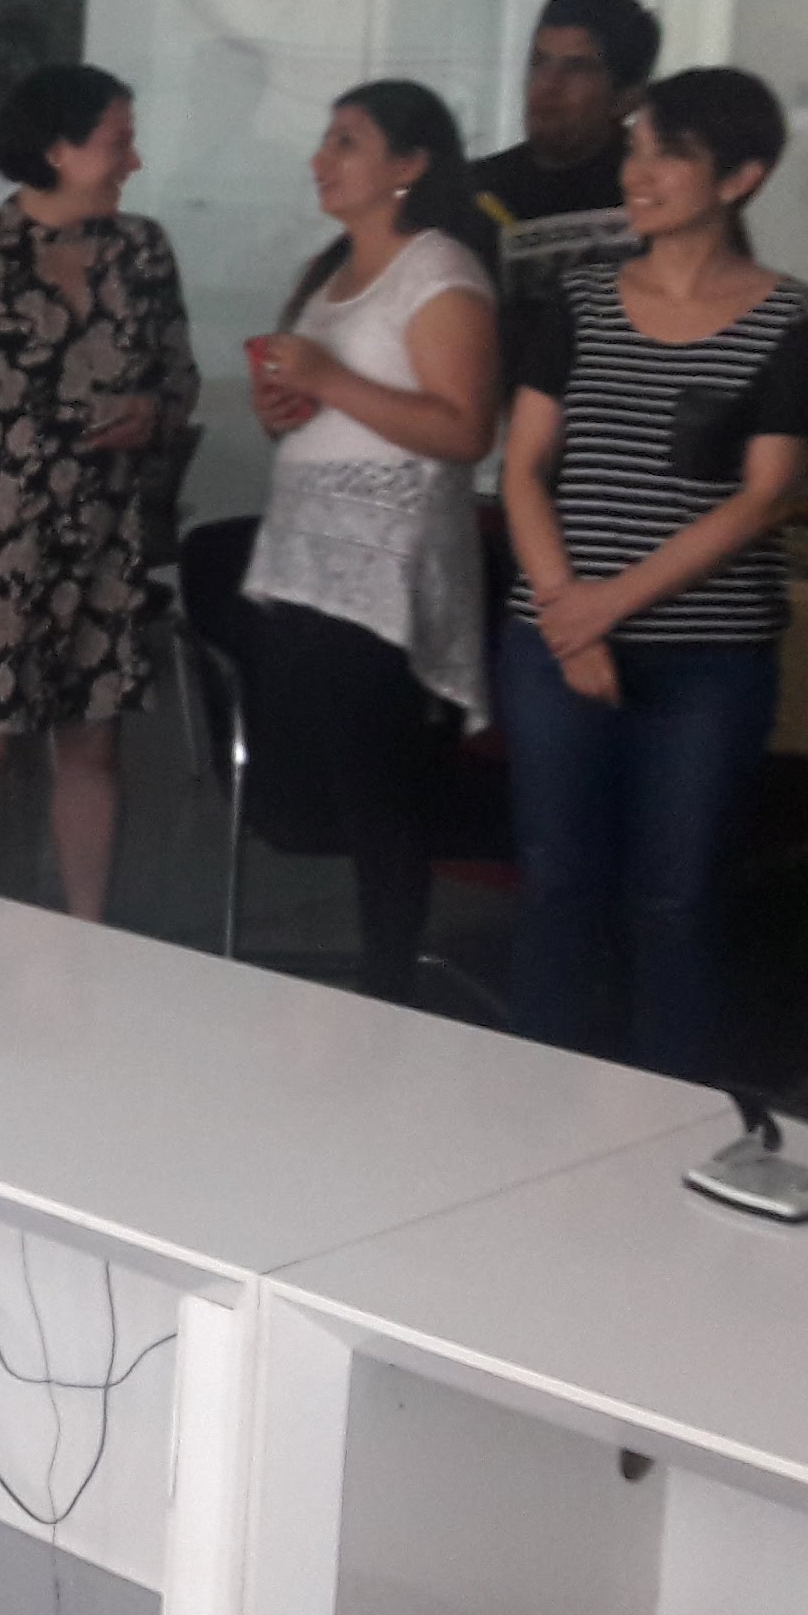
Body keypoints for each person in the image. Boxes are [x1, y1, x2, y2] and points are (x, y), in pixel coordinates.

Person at [495, 66, 808, 1082]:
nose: (637, 174)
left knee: (677, 897)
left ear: (741, 178)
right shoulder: (580, 296)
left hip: (709, 656)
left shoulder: (787, 314)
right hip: (556, 638)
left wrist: (606, 607)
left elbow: (764, 496)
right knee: (555, 883)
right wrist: (570, 617)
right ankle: (534, 1106)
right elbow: (523, 468)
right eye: (636, 150)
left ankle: (668, 1112)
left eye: (668, 154)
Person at [0, 62, 198, 922]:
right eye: (118, 142)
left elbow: (180, 381)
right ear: (58, 149)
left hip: (104, 539)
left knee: (93, 748)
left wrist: (152, 414)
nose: (133, 160)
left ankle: (88, 931)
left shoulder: (143, 251)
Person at [239, 82, 501, 1004]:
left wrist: (331, 381)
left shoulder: (439, 272)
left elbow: (466, 429)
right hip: (309, 561)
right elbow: (322, 411)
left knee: (379, 798)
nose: (323, 159)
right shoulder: (329, 271)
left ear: (409, 165)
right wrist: (285, 408)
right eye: (326, 138)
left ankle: (387, 987)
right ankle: (363, 976)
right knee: (322, 791)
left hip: (386, 571)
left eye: (348, 141)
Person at [470, 0, 664, 343]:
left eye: (577, 69)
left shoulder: (662, 194)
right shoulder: (476, 186)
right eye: (539, 62)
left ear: (627, 99)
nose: (547, 86)